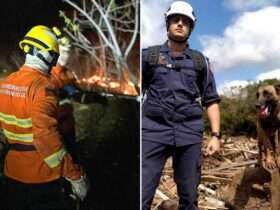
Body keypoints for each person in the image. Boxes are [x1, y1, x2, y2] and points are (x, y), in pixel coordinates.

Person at [142, 1, 221, 210]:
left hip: (189, 133)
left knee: (189, 195)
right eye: (175, 20)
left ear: (191, 28)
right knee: (141, 193)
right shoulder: (148, 56)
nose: (179, 24)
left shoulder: (200, 61)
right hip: (152, 130)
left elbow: (211, 100)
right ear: (167, 24)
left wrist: (215, 135)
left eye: (185, 21)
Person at [0, 25, 89, 210]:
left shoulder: (6, 84)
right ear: (46, 54)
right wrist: (75, 175)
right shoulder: (43, 89)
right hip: (41, 177)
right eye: (54, 57)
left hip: (12, 172)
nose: (54, 63)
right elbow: (46, 140)